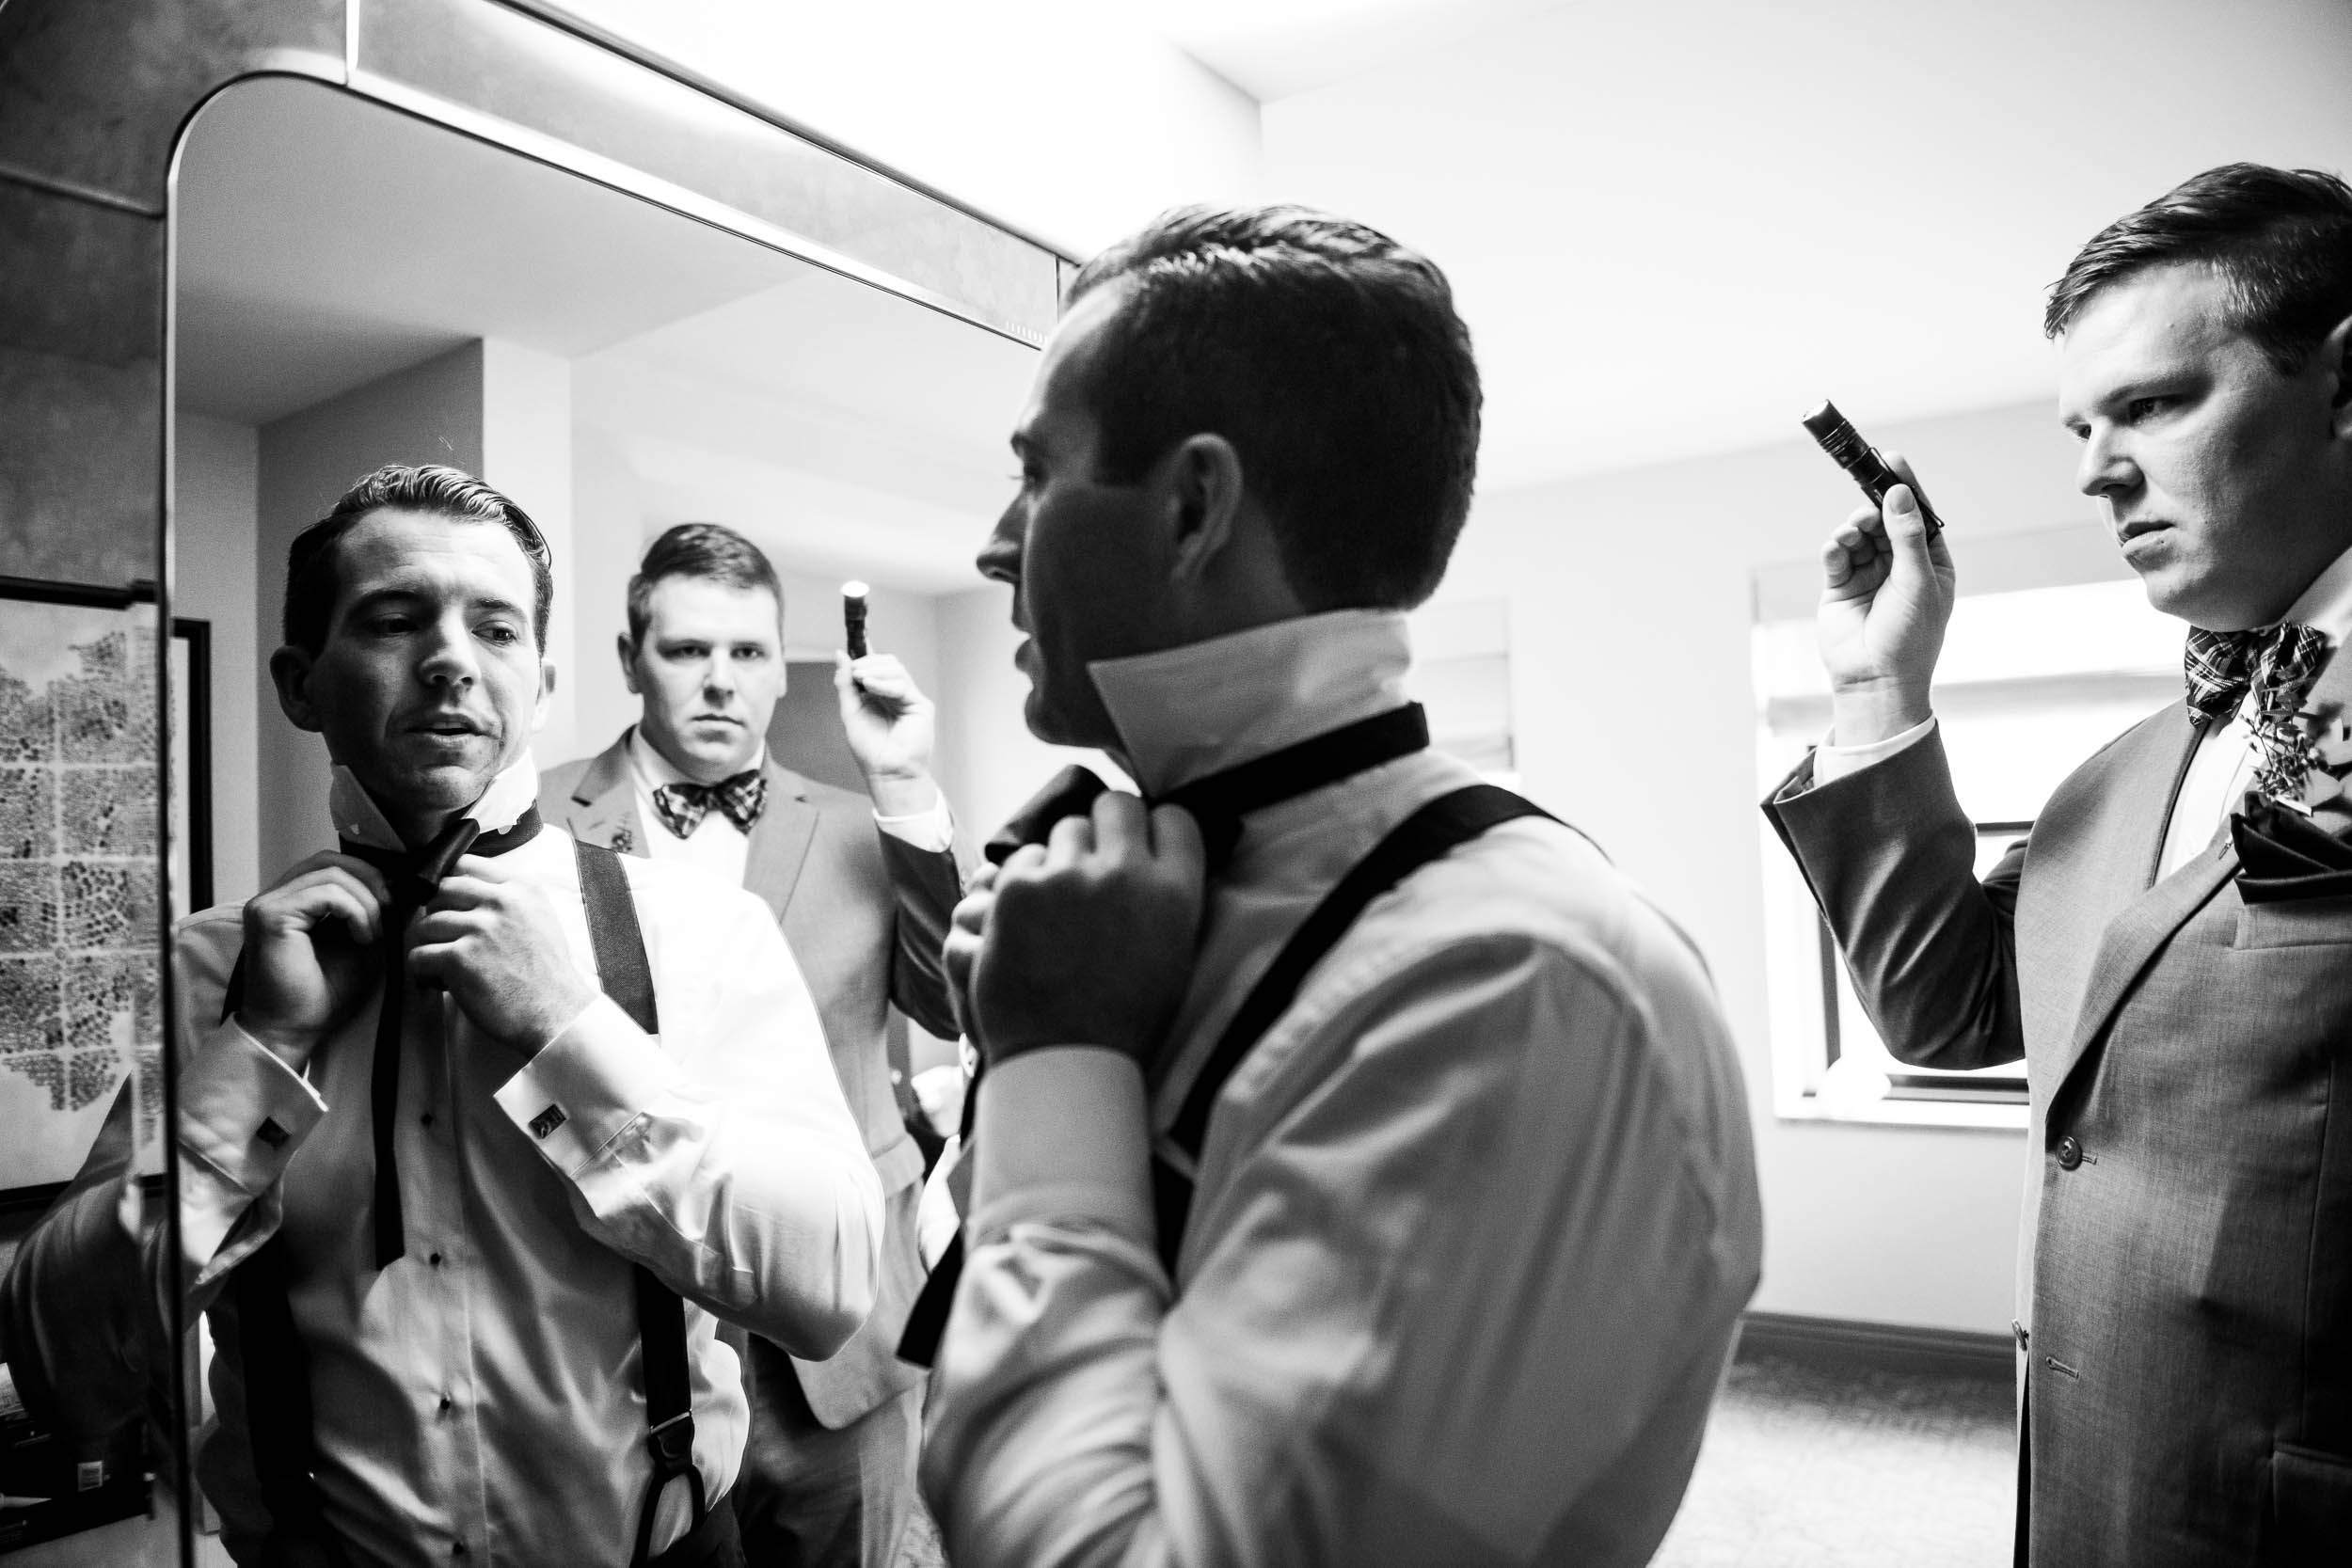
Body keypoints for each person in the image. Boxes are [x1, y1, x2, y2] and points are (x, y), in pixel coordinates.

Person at [914, 204, 1762, 1568]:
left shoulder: (1518, 984)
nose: (995, 544)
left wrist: (1055, 1064)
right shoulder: (1103, 905)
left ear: (1192, 506)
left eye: (1037, 473)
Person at [0, 462, 883, 1567]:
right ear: (299, 681)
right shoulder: (214, 970)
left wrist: (573, 1032)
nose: (453, 656)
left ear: (543, 678)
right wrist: (255, 1056)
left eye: (496, 627)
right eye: (394, 617)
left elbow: (831, 1289)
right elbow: (61, 1367)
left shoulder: (701, 931)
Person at [1763, 163, 2352, 1565]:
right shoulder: (2122, 775)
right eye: (2084, 424)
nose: (2094, 466)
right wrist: (1879, 689)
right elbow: (1947, 1006)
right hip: (2089, 1484)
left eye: (2150, 404)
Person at [541, 523, 962, 1568]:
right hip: (619, 1335)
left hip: (841, 1353)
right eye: (686, 650)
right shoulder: (538, 820)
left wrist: (905, 782)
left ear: (783, 670)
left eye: (748, 652)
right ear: (631, 658)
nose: (719, 680)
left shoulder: (870, 826)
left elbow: (948, 1007)